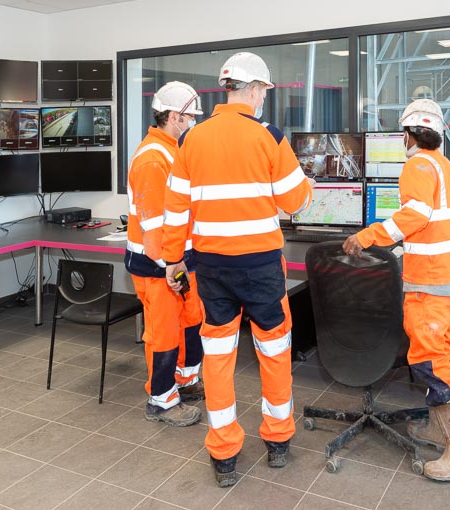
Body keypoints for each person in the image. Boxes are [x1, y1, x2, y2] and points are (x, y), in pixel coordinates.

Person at [161, 52, 314, 488]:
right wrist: (308, 189)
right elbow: (293, 201)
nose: (264, 97)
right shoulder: (268, 135)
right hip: (262, 266)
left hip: (211, 269)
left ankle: (224, 453)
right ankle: (278, 441)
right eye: (264, 90)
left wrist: (175, 259)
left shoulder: (192, 139)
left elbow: (176, 210)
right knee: (273, 351)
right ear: (254, 89)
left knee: (219, 355)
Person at [342, 98, 450, 482]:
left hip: (432, 278)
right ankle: (442, 429)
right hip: (444, 274)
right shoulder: (448, 167)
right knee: (440, 352)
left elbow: (417, 214)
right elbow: (438, 221)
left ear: (408, 135)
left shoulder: (417, 165)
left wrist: (368, 236)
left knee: (431, 359)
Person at [125, 81, 205, 427]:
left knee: (191, 318)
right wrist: (171, 268)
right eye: (189, 117)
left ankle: (185, 382)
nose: (193, 124)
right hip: (158, 266)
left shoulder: (173, 150)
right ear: (174, 116)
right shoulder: (152, 159)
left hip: (179, 262)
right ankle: (161, 400)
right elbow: (155, 227)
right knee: (164, 333)